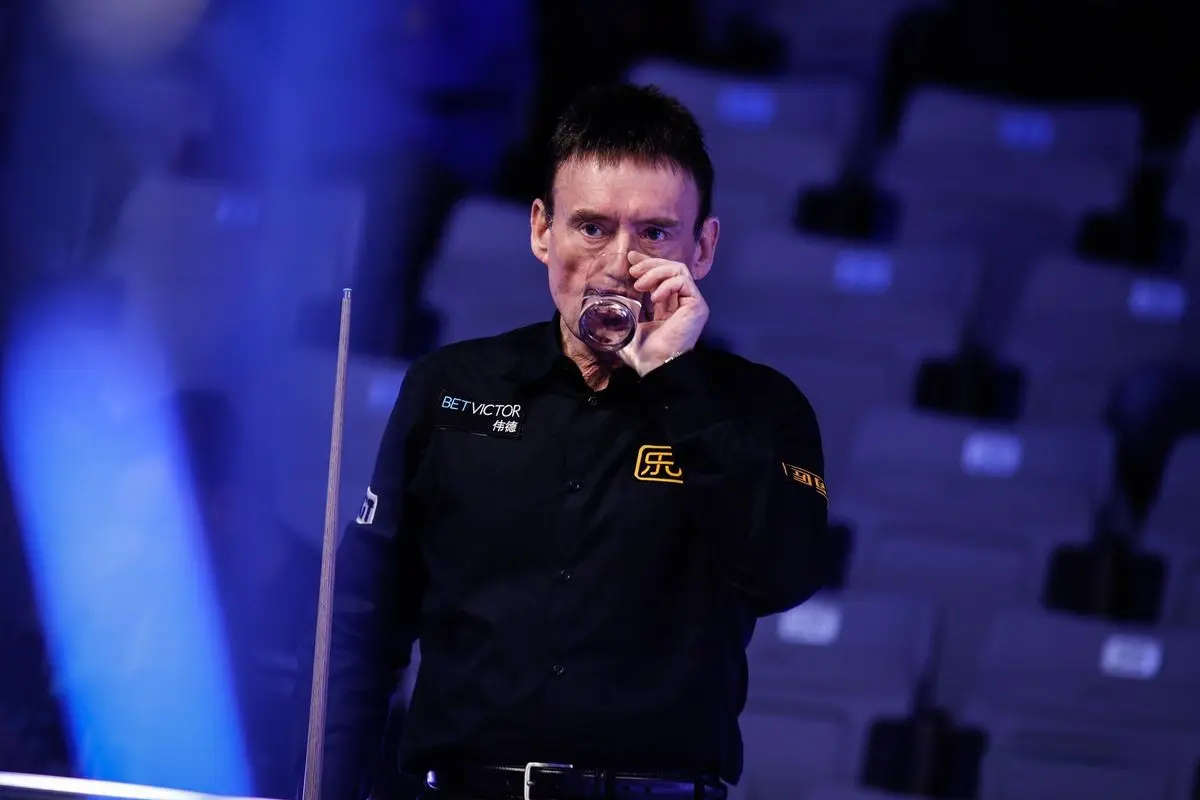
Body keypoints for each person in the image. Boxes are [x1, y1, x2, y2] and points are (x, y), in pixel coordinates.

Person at [310, 84, 830, 800]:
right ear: (541, 231)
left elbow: (784, 575)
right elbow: (361, 626)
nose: (618, 262)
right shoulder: (449, 386)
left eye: (654, 233)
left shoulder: (762, 408)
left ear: (703, 247)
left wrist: (676, 382)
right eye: (591, 227)